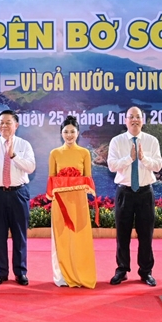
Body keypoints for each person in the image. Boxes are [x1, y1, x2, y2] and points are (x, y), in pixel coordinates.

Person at [0, 110, 36, 286]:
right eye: (1, 122)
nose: (4, 126)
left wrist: (13, 155)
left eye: (8, 122)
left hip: (18, 193)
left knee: (20, 235)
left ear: (16, 125)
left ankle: (20, 272)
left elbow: (31, 167)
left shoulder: (24, 145)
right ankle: (1, 272)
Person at [107, 106, 162, 286]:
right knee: (122, 234)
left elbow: (158, 166)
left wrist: (143, 158)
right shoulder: (117, 141)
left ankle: (146, 272)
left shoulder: (152, 141)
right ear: (126, 120)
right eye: (131, 117)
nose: (134, 120)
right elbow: (112, 166)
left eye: (138, 117)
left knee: (146, 234)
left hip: (145, 191)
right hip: (125, 191)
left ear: (143, 120)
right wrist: (129, 159)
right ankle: (122, 269)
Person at [47, 115, 97, 289]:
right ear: (61, 133)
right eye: (66, 132)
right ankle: (61, 275)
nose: (69, 135)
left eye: (72, 132)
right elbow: (51, 179)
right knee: (61, 237)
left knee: (78, 236)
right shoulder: (54, 153)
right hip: (60, 203)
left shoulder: (84, 153)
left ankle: (80, 273)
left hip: (79, 202)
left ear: (78, 133)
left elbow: (88, 178)